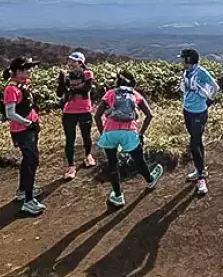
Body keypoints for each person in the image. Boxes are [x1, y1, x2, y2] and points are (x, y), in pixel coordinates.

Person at [94, 71, 164, 208]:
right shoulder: (135, 95)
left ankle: (118, 196)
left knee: (112, 163)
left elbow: (97, 116)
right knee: (138, 159)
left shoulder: (110, 93)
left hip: (110, 132)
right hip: (129, 132)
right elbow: (149, 115)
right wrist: (141, 133)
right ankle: (150, 181)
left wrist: (103, 133)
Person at [3, 57, 45, 216]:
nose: (30, 71)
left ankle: (23, 190)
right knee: (31, 161)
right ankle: (28, 201)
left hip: (29, 128)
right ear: (18, 71)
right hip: (23, 131)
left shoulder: (21, 86)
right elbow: (10, 113)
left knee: (29, 161)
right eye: (27, 69)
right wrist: (28, 123)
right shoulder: (11, 89)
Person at [179, 48, 219, 196]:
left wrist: (209, 101)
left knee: (194, 143)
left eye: (182, 58)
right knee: (197, 141)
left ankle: (201, 179)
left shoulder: (201, 72)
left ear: (188, 59)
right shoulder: (187, 72)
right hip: (187, 110)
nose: (181, 60)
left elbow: (215, 87)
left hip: (199, 113)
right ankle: (201, 170)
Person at [57, 52, 96, 180]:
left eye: (73, 61)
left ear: (80, 63)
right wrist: (61, 81)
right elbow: (59, 93)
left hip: (84, 110)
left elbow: (86, 88)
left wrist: (70, 88)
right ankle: (71, 166)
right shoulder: (67, 76)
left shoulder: (87, 74)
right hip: (69, 112)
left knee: (86, 135)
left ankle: (88, 155)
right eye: (69, 61)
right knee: (70, 139)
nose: (70, 64)